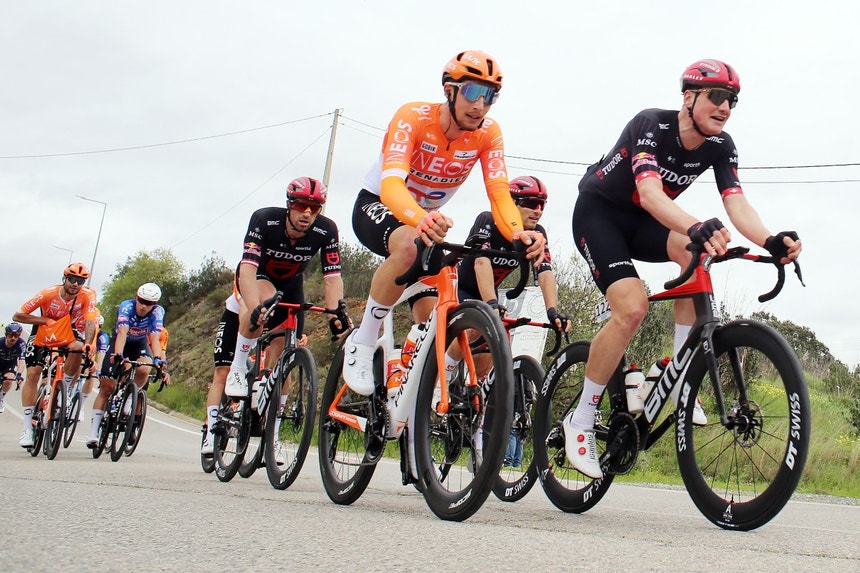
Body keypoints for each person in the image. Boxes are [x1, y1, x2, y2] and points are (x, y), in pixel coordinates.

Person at [566, 59, 802, 479]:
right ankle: (581, 417)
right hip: (600, 214)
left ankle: (675, 374)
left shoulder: (720, 145)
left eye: (732, 100)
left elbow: (736, 203)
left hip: (646, 224)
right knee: (633, 307)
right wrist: (696, 225)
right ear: (689, 97)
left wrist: (768, 240)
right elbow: (651, 193)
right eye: (716, 97)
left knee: (699, 255)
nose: (726, 107)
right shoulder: (651, 126)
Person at [344, 50, 546, 396]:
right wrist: (420, 218)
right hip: (381, 205)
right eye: (472, 92)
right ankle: (363, 341)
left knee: (434, 318)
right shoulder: (413, 117)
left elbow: (499, 194)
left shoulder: (487, 133)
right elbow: (392, 184)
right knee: (409, 245)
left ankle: (408, 396)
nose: (480, 105)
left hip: (427, 223)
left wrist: (519, 233)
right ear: (449, 90)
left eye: (490, 96)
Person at [223, 176, 351, 399]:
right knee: (262, 306)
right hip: (257, 275)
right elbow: (248, 269)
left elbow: (332, 278)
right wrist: (255, 309)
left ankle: (275, 420)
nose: (308, 213)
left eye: (315, 208)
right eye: (301, 205)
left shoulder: (326, 229)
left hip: (291, 283)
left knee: (285, 352)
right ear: (289, 205)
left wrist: (335, 314)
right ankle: (238, 367)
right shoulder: (264, 219)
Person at [12, 263, 98, 447]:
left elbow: (90, 321)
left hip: (68, 330)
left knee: (78, 347)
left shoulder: (88, 295)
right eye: (72, 279)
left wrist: (89, 343)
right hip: (43, 330)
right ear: (64, 279)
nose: (76, 284)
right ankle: (27, 427)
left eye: (81, 281)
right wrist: (46, 320)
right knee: (34, 373)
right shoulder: (48, 293)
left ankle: (63, 390)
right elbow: (18, 315)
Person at [86, 282, 168, 447]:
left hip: (139, 344)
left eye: (149, 303)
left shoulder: (158, 312)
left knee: (145, 368)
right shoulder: (126, 306)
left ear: (155, 304)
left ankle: (131, 396)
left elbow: (154, 338)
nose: (144, 306)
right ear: (136, 297)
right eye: (141, 300)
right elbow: (122, 332)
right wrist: (118, 355)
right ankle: (93, 432)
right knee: (107, 387)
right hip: (121, 342)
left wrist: (159, 359)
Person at [0, 323, 27, 414]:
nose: (13, 338)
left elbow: (22, 361)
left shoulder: (21, 344)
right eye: (11, 335)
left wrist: (19, 375)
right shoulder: (0, 342)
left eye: (16, 336)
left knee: (8, 380)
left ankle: (1, 399)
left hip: (10, 364)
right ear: (6, 335)